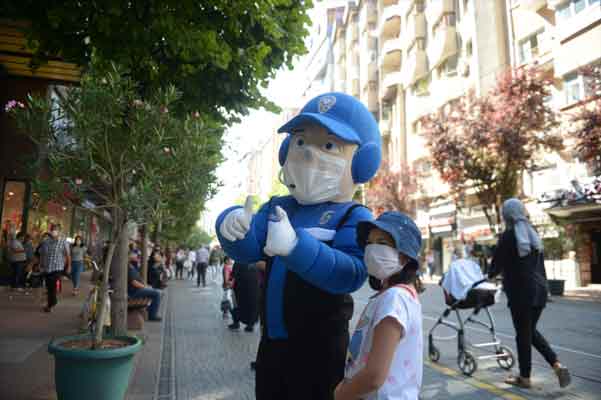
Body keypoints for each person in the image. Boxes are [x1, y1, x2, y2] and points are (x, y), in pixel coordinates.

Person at [216, 92, 382, 400]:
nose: (307, 154)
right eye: (301, 142)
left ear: (363, 162)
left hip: (321, 348)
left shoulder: (354, 215)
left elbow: (352, 273)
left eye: (329, 146)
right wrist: (231, 227)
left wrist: (297, 248)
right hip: (272, 343)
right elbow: (249, 248)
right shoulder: (280, 206)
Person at [334, 212, 423, 400]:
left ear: (405, 256)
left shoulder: (395, 298)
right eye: (369, 243)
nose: (372, 249)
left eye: (382, 243)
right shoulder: (390, 295)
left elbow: (374, 376)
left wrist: (342, 394)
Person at [489, 198, 570, 389]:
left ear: (507, 216)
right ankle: (557, 365)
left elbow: (494, 268)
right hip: (540, 292)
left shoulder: (508, 236)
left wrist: (490, 274)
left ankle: (525, 378)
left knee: (523, 334)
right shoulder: (533, 234)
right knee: (529, 332)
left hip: (521, 294)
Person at [39, 224, 71, 312]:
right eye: (52, 229)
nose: (54, 231)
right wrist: (40, 264)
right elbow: (42, 254)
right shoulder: (45, 241)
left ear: (59, 231)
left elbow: (68, 255)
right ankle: (52, 301)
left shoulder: (64, 242)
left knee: (52, 285)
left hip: (58, 267)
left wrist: (68, 266)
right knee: (49, 286)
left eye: (56, 230)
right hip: (47, 267)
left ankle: (50, 304)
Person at [127, 252, 162, 322]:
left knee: (157, 292)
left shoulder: (132, 265)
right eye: (135, 255)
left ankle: (150, 312)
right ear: (129, 256)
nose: (137, 256)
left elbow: (138, 279)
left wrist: (146, 286)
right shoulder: (128, 266)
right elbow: (134, 282)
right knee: (157, 293)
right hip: (134, 292)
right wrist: (145, 287)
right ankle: (152, 315)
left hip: (137, 290)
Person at [228, 261, 260, 332]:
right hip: (253, 287)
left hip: (241, 287)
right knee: (252, 305)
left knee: (238, 305)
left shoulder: (240, 259)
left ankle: (237, 323)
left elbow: (233, 273)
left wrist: (230, 281)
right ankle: (250, 325)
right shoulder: (256, 259)